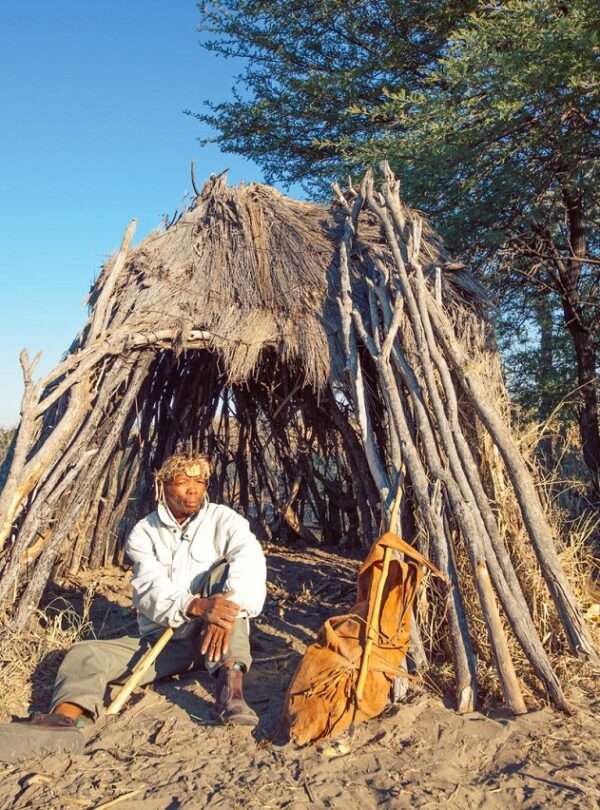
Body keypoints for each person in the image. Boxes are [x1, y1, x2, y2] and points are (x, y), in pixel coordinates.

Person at [0, 452, 267, 762]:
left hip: (218, 636)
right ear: (163, 485)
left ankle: (230, 692)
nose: (193, 489)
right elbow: (150, 588)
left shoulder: (224, 520)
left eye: (200, 481)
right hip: (169, 639)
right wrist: (194, 605)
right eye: (182, 482)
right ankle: (66, 720)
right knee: (85, 654)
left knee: (226, 586)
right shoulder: (144, 533)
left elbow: (249, 558)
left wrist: (222, 606)